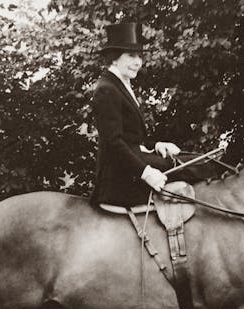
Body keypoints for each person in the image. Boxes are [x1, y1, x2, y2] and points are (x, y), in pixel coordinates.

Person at [89, 22, 215, 208]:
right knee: (199, 168)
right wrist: (145, 172)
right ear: (114, 58)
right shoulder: (107, 89)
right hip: (119, 175)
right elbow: (113, 143)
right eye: (131, 56)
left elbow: (131, 138)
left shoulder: (120, 84)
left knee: (202, 161)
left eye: (139, 56)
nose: (138, 62)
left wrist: (157, 145)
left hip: (134, 161)